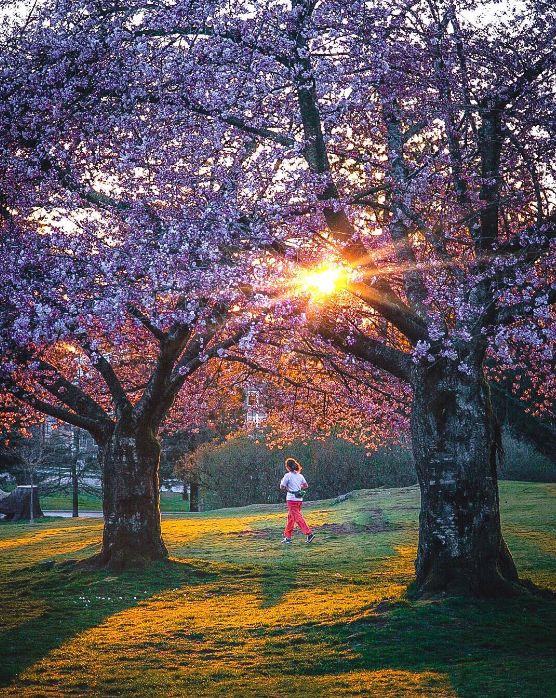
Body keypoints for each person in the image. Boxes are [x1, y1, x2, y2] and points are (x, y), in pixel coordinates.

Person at [280, 457, 315, 544]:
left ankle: (309, 533)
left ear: (288, 467)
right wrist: (298, 488)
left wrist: (288, 487)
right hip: (299, 499)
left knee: (297, 517)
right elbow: (306, 485)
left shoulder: (287, 475)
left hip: (291, 499)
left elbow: (282, 486)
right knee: (291, 518)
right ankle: (287, 537)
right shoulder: (300, 475)